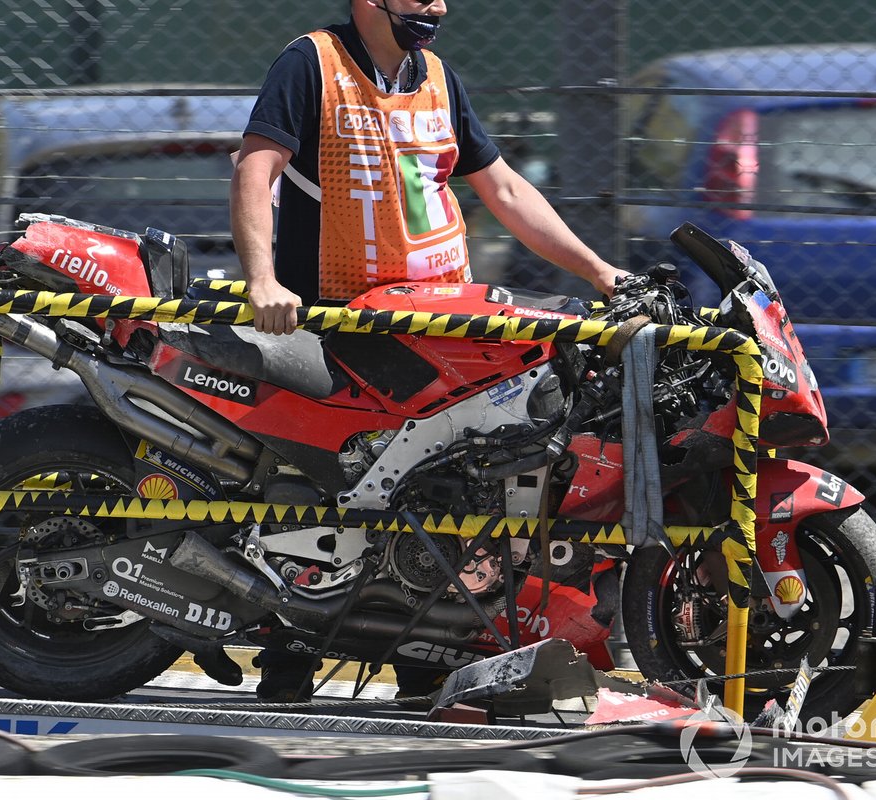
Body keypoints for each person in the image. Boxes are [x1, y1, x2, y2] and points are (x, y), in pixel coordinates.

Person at [229, 0, 629, 701]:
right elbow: (256, 170)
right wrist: (262, 279)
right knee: (346, 486)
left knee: (456, 485)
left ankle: (426, 646)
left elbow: (502, 187)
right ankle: (290, 651)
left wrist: (601, 272)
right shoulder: (311, 63)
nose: (436, 7)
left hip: (443, 328)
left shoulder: (438, 76)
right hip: (349, 326)